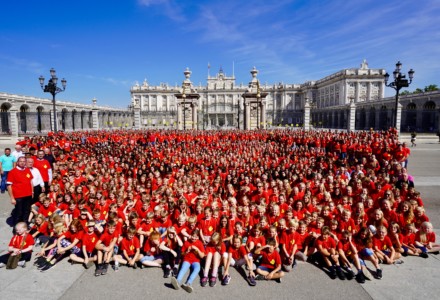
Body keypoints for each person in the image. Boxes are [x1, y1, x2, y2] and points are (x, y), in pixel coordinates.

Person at [171, 229, 205, 293]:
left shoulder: (200, 243)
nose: (193, 238)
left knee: (197, 268)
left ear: (198, 237)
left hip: (196, 260)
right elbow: (182, 254)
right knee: (183, 268)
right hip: (187, 259)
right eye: (192, 236)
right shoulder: (187, 242)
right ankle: (177, 281)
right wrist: (187, 251)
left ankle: (188, 283)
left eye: (195, 237)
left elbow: (202, 256)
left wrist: (197, 249)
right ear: (190, 235)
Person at [7, 156, 33, 227]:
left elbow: (30, 182)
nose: (22, 163)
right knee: (19, 212)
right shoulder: (12, 172)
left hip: (28, 195)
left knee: (26, 211)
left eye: (24, 161)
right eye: (20, 161)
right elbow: (9, 185)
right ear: (17, 162)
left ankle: (24, 226)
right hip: (18, 196)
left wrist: (32, 192)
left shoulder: (27, 170)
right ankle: (16, 228)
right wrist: (12, 198)